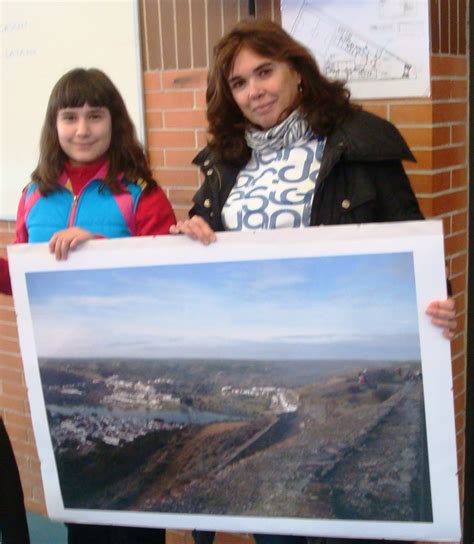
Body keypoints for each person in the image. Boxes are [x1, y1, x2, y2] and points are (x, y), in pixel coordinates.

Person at [170, 18, 457, 544]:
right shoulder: (224, 165)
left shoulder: (357, 145)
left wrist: (441, 303)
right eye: (238, 83)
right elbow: (199, 238)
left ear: (297, 70)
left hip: (343, 344)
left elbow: (411, 242)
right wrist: (188, 234)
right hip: (268, 352)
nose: (255, 91)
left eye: (265, 71)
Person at [0, 67, 176, 543]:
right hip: (62, 378)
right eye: (70, 117)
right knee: (82, 512)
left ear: (114, 122)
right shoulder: (33, 196)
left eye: (95, 116)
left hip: (133, 375)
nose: (82, 130)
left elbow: (168, 282)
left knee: (136, 510)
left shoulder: (141, 193)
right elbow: (21, 280)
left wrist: (99, 247)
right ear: (53, 126)